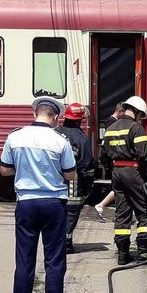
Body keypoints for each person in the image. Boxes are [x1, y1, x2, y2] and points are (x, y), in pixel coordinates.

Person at [0, 97, 77, 293]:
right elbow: (70, 174)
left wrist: (24, 168)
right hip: (54, 203)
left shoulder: (15, 136)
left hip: (27, 203)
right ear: (55, 117)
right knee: (54, 259)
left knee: (24, 260)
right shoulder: (59, 141)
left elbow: (4, 170)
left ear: (35, 113)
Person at [103, 96, 147, 263]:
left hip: (117, 173)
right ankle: (144, 252)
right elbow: (143, 156)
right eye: (141, 115)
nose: (141, 118)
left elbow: (103, 156)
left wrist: (114, 170)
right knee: (146, 209)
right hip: (133, 172)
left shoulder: (110, 128)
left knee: (122, 212)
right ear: (137, 112)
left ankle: (122, 254)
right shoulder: (137, 128)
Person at [55, 102, 94, 254]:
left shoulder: (55, 133)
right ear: (80, 120)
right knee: (71, 213)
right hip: (73, 185)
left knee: (57, 213)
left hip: (53, 184)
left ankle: (56, 241)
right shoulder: (81, 139)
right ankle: (66, 243)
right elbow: (86, 166)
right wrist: (88, 187)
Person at [94, 103, 125, 221]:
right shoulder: (113, 123)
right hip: (113, 160)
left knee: (119, 188)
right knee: (119, 188)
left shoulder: (110, 121)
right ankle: (102, 205)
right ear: (120, 111)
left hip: (110, 159)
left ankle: (107, 207)